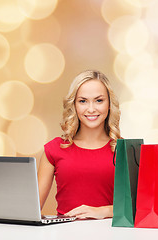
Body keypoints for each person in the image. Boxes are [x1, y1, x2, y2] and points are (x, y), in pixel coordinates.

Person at [37, 70, 121, 219]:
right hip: (65, 233)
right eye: (83, 101)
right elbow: (32, 209)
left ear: (109, 104)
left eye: (99, 100)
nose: (91, 109)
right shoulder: (54, 149)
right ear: (74, 105)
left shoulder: (123, 150)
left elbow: (139, 208)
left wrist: (103, 211)